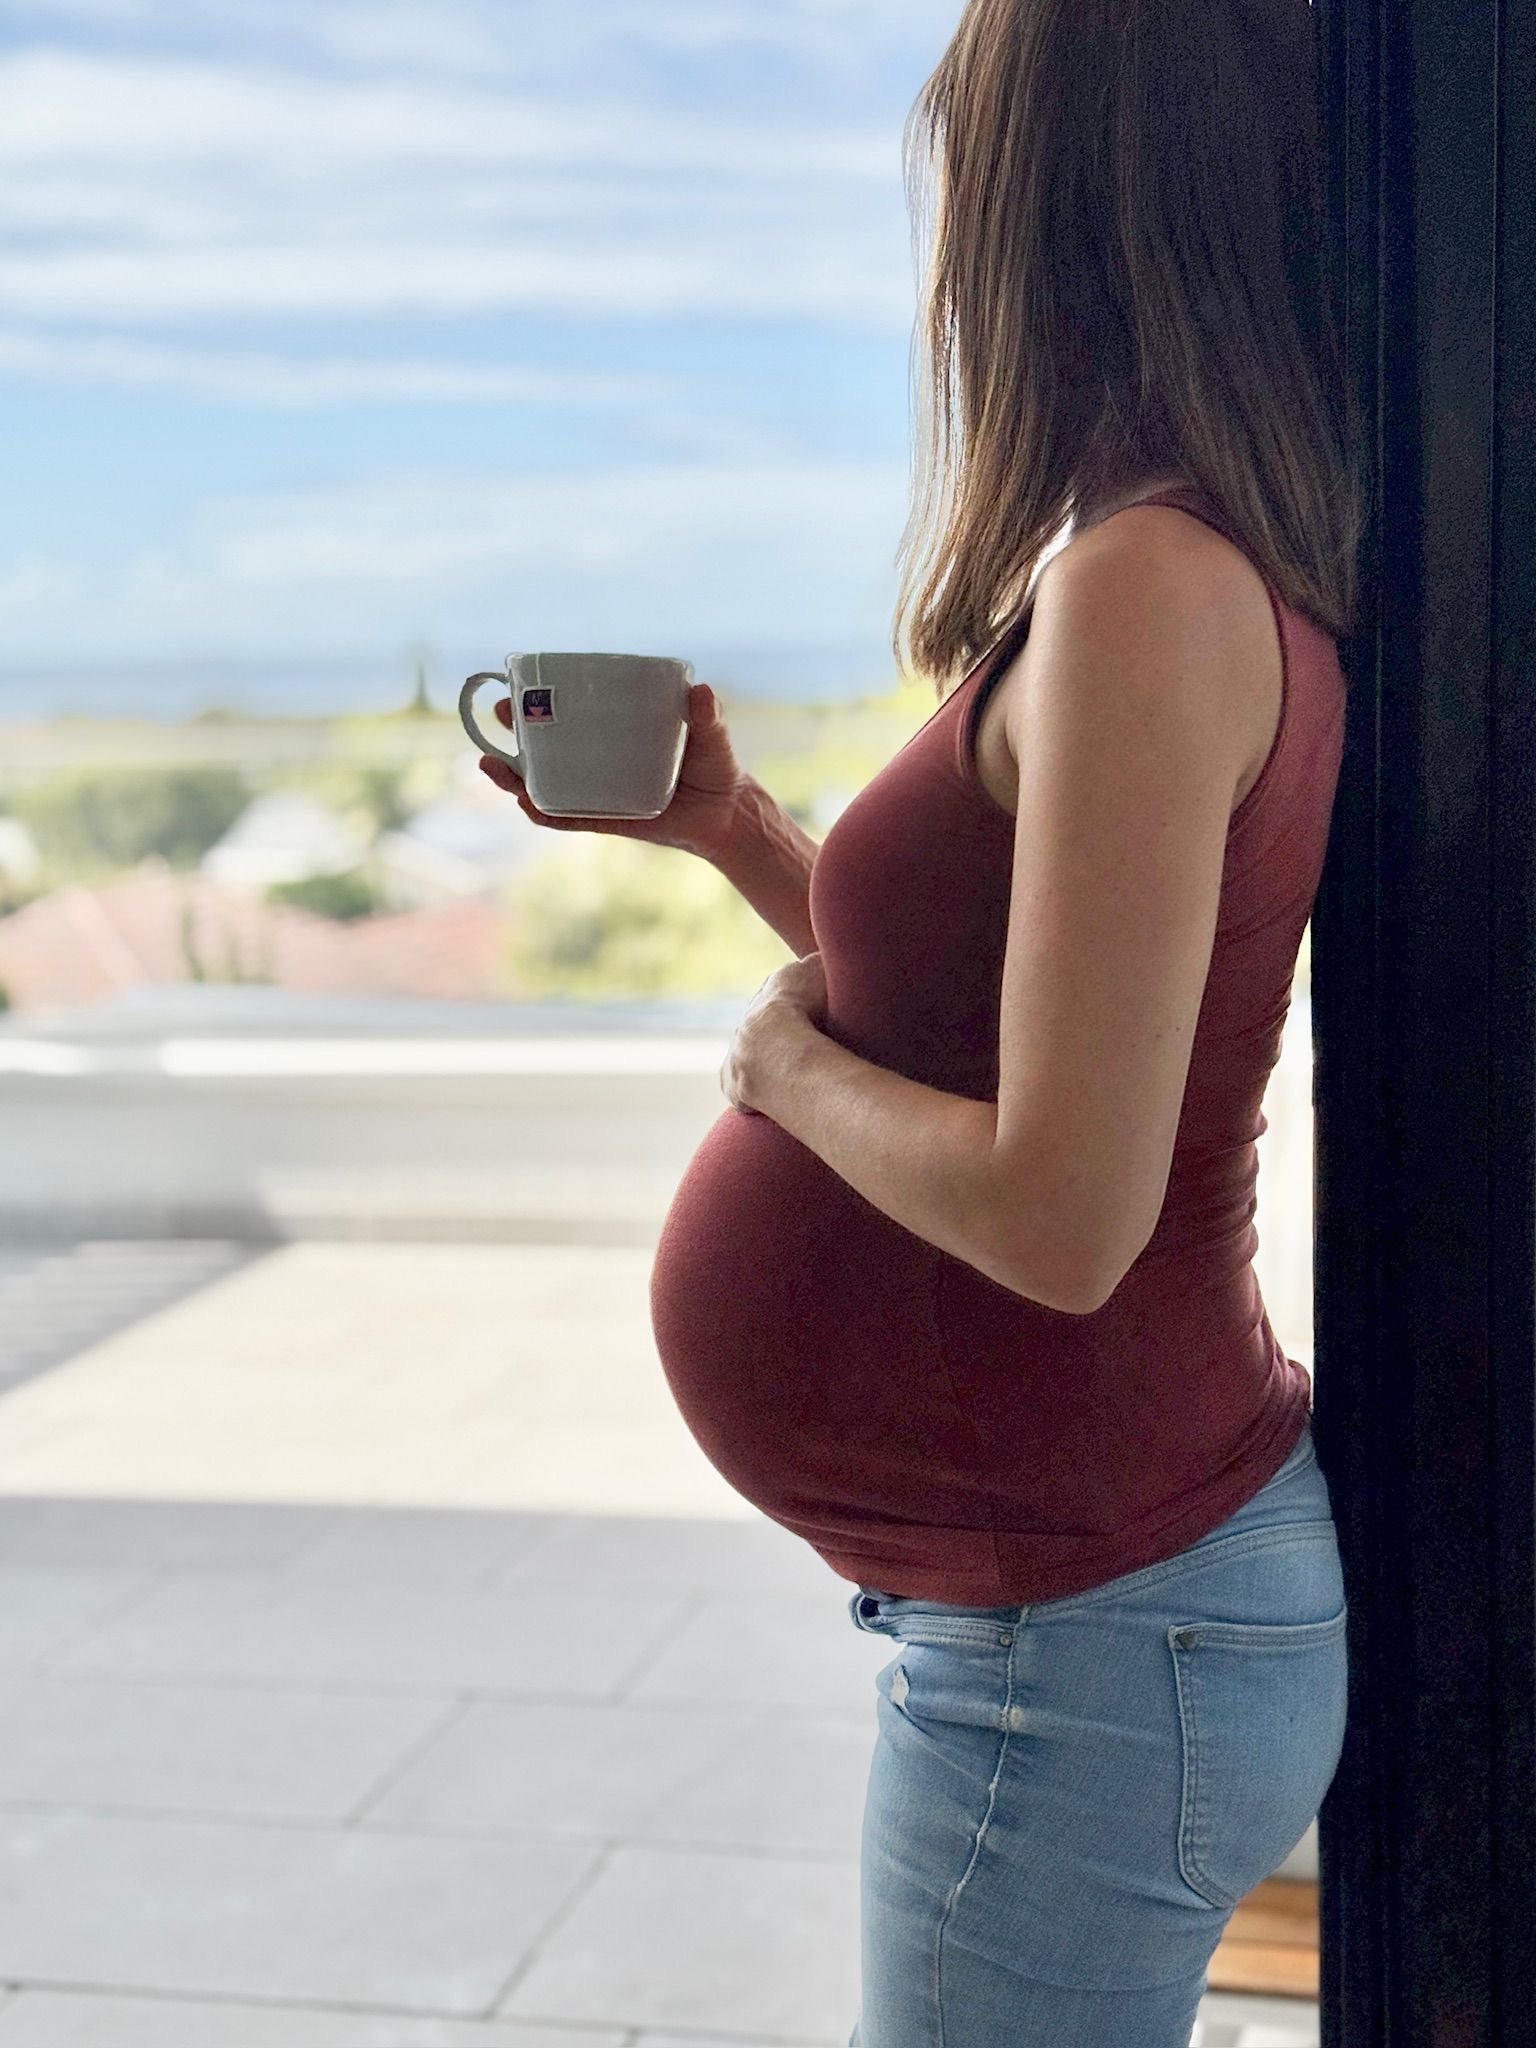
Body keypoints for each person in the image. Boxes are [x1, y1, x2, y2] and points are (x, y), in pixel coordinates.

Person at [479, 1, 1366, 2039]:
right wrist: (739, 837)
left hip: (1093, 1637)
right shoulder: (1185, 561)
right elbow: (1019, 1009)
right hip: (1089, 1613)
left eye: (969, 158)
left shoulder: (1154, 587)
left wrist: (779, 1068)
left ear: (1060, 204)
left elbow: (1064, 1209)